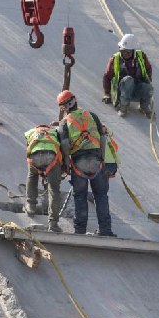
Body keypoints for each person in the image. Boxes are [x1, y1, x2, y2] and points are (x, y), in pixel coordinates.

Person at [56, 91, 114, 236]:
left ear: (63, 108)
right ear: (75, 100)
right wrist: (101, 158)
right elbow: (102, 137)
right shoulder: (92, 115)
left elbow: (64, 145)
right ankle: (105, 230)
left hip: (78, 163)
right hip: (96, 162)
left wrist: (67, 165)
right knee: (101, 195)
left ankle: (80, 230)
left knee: (80, 196)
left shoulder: (65, 122)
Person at [24, 123, 65, 231]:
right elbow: (62, 148)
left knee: (32, 176)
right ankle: (53, 223)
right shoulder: (54, 132)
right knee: (54, 190)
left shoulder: (31, 132)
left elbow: (28, 148)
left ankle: (30, 205)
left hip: (35, 156)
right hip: (52, 157)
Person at [102, 33, 154, 118]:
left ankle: (143, 107)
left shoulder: (141, 57)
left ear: (133, 51)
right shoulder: (115, 59)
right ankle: (123, 107)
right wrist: (106, 93)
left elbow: (148, 68)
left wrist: (148, 81)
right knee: (128, 80)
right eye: (122, 51)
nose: (124, 53)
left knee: (148, 87)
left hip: (136, 88)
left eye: (127, 52)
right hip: (121, 91)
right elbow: (107, 76)